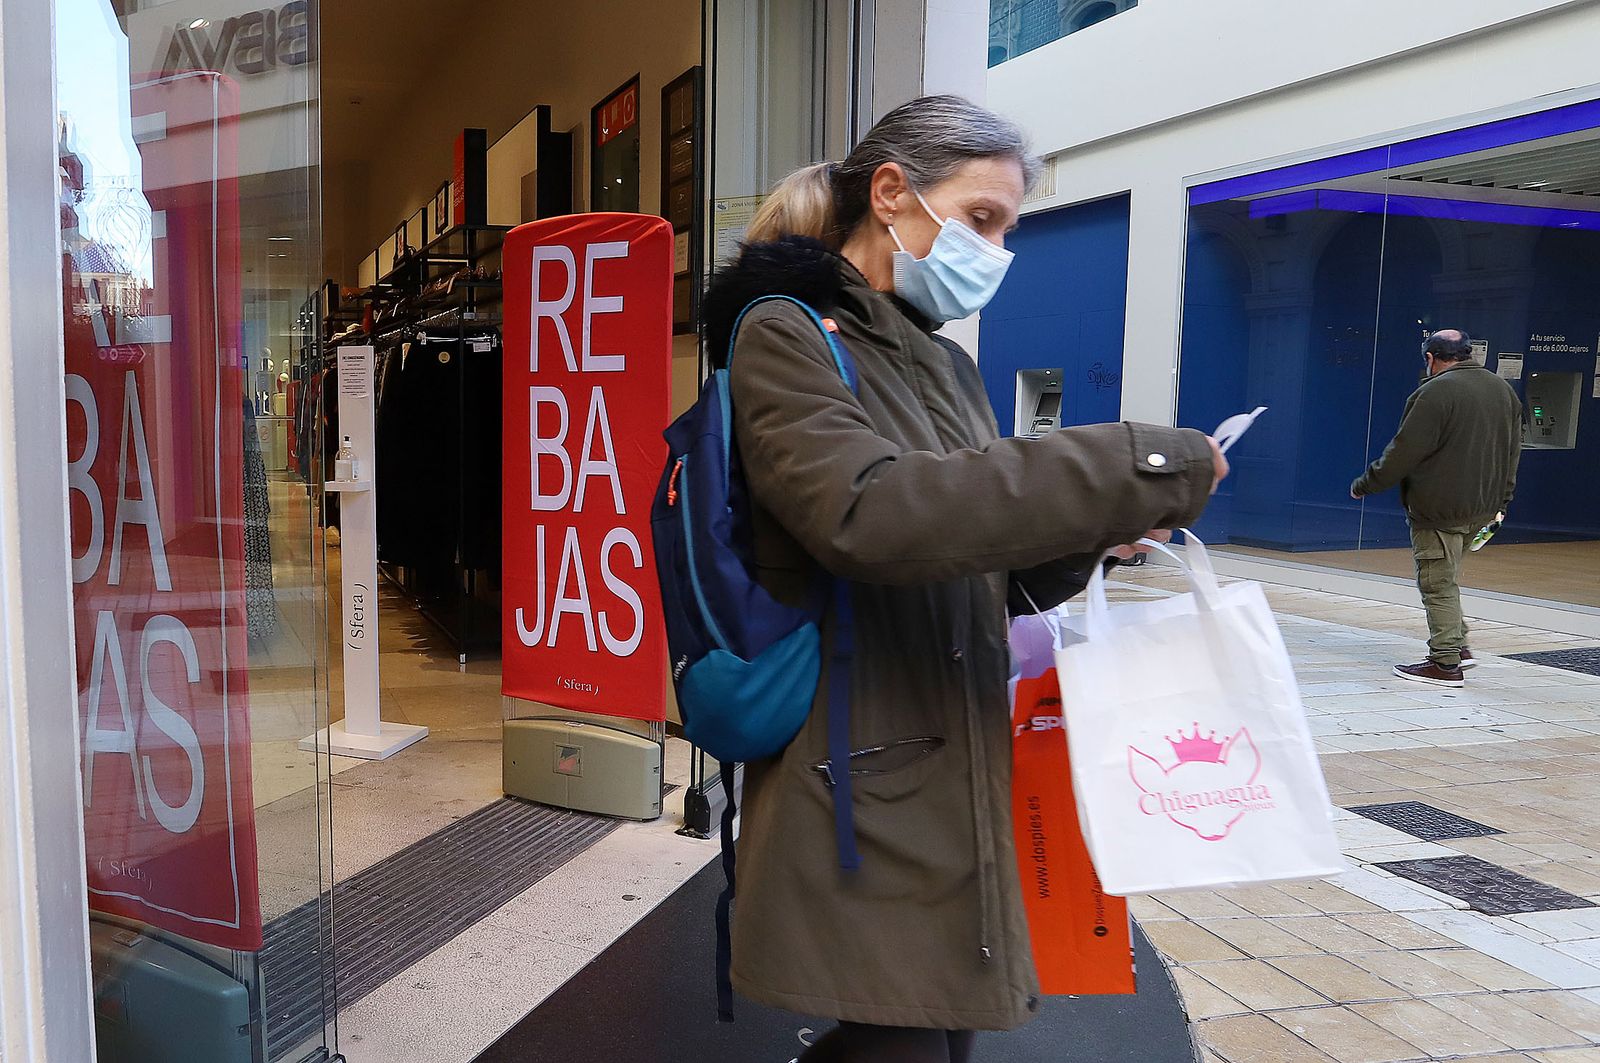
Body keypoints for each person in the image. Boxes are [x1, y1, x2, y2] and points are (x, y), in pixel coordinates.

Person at [705, 95, 1229, 1062]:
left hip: (951, 753)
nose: (995, 248)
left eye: (1006, 228)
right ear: (893, 194)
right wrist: (1129, 463)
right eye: (981, 218)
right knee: (898, 1037)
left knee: (939, 1033)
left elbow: (984, 559)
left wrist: (1092, 536)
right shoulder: (785, 334)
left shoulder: (939, 364)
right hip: (859, 766)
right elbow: (869, 513)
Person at [1350, 329, 1522, 688]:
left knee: (1437, 582)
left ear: (1431, 358)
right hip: (1483, 506)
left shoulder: (1434, 392)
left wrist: (1367, 484)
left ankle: (1444, 664)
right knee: (1447, 576)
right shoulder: (1502, 390)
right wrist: (1502, 500)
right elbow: (1511, 453)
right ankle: (1458, 647)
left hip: (1440, 507)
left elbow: (1404, 451)